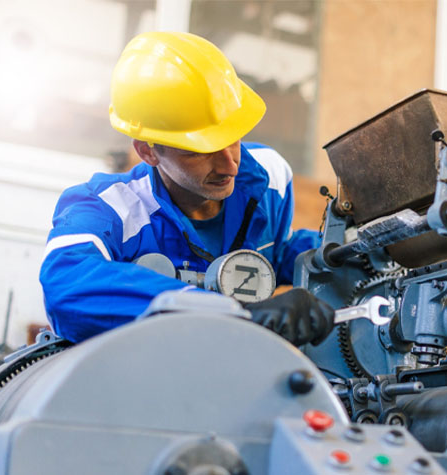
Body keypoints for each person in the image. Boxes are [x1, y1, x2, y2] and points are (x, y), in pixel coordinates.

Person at [39, 31, 335, 346]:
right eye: (199, 150)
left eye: (231, 136)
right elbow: (66, 285)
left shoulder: (269, 178)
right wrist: (230, 313)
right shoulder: (108, 208)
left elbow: (276, 251)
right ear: (148, 151)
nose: (230, 165)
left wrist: (338, 251)